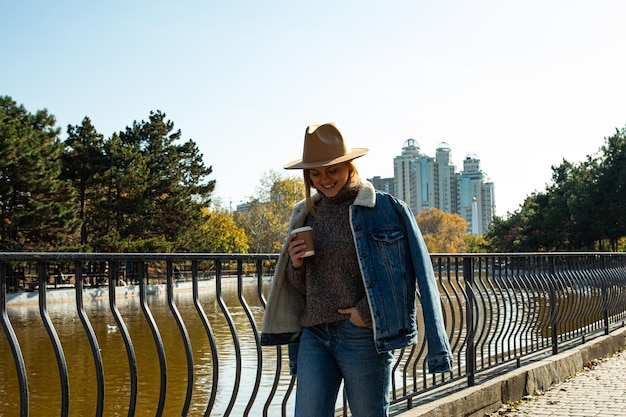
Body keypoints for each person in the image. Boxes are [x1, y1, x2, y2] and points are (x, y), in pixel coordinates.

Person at [261, 122, 453, 417]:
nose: (324, 180)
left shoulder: (385, 209)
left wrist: (365, 313)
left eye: (332, 170)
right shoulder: (304, 213)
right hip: (314, 334)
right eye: (315, 173)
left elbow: (413, 276)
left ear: (349, 166)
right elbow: (301, 288)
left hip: (361, 335)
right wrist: (296, 265)